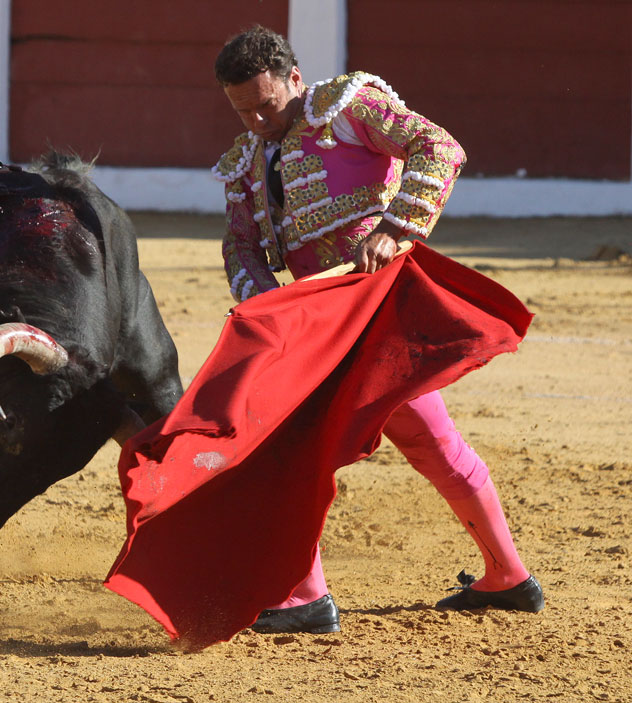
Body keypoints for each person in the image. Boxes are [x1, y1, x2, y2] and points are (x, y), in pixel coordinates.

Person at [211, 25, 544, 634]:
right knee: (420, 442)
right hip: (318, 318)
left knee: (312, 444)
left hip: (377, 308)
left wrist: (396, 227)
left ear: (294, 79)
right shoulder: (245, 163)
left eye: (267, 103)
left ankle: (306, 598)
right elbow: (241, 242)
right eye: (243, 110)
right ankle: (507, 576)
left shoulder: (346, 109)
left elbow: (437, 146)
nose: (258, 119)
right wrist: (264, 302)